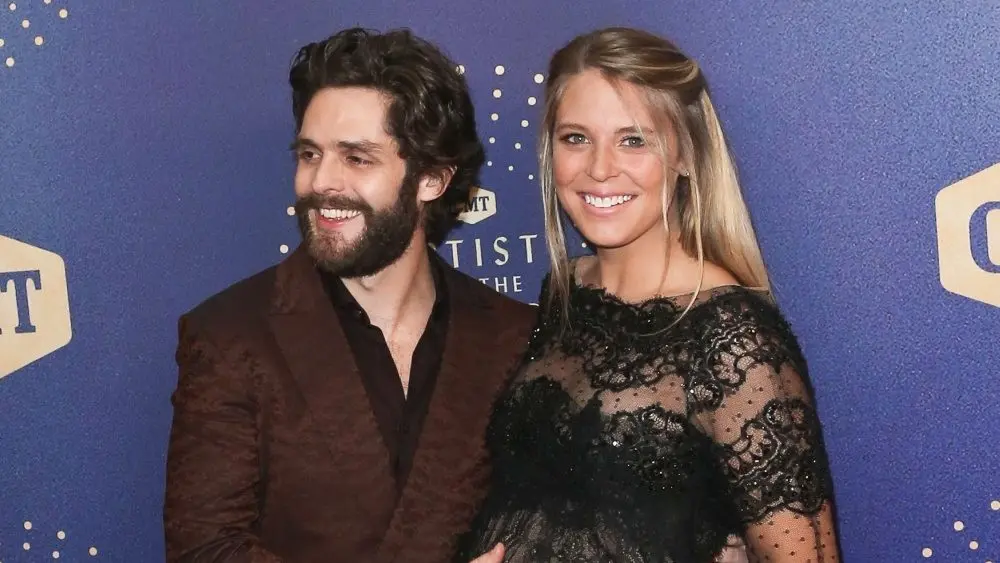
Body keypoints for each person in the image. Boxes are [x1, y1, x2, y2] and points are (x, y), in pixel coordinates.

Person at [457, 27, 840, 563]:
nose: (599, 168)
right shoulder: (566, 292)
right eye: (575, 138)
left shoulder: (731, 337)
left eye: (633, 139)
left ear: (684, 154)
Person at [163, 27, 535, 563]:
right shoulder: (230, 335)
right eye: (310, 154)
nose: (321, 182)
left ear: (431, 178)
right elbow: (204, 548)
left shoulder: (512, 334)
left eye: (356, 158)